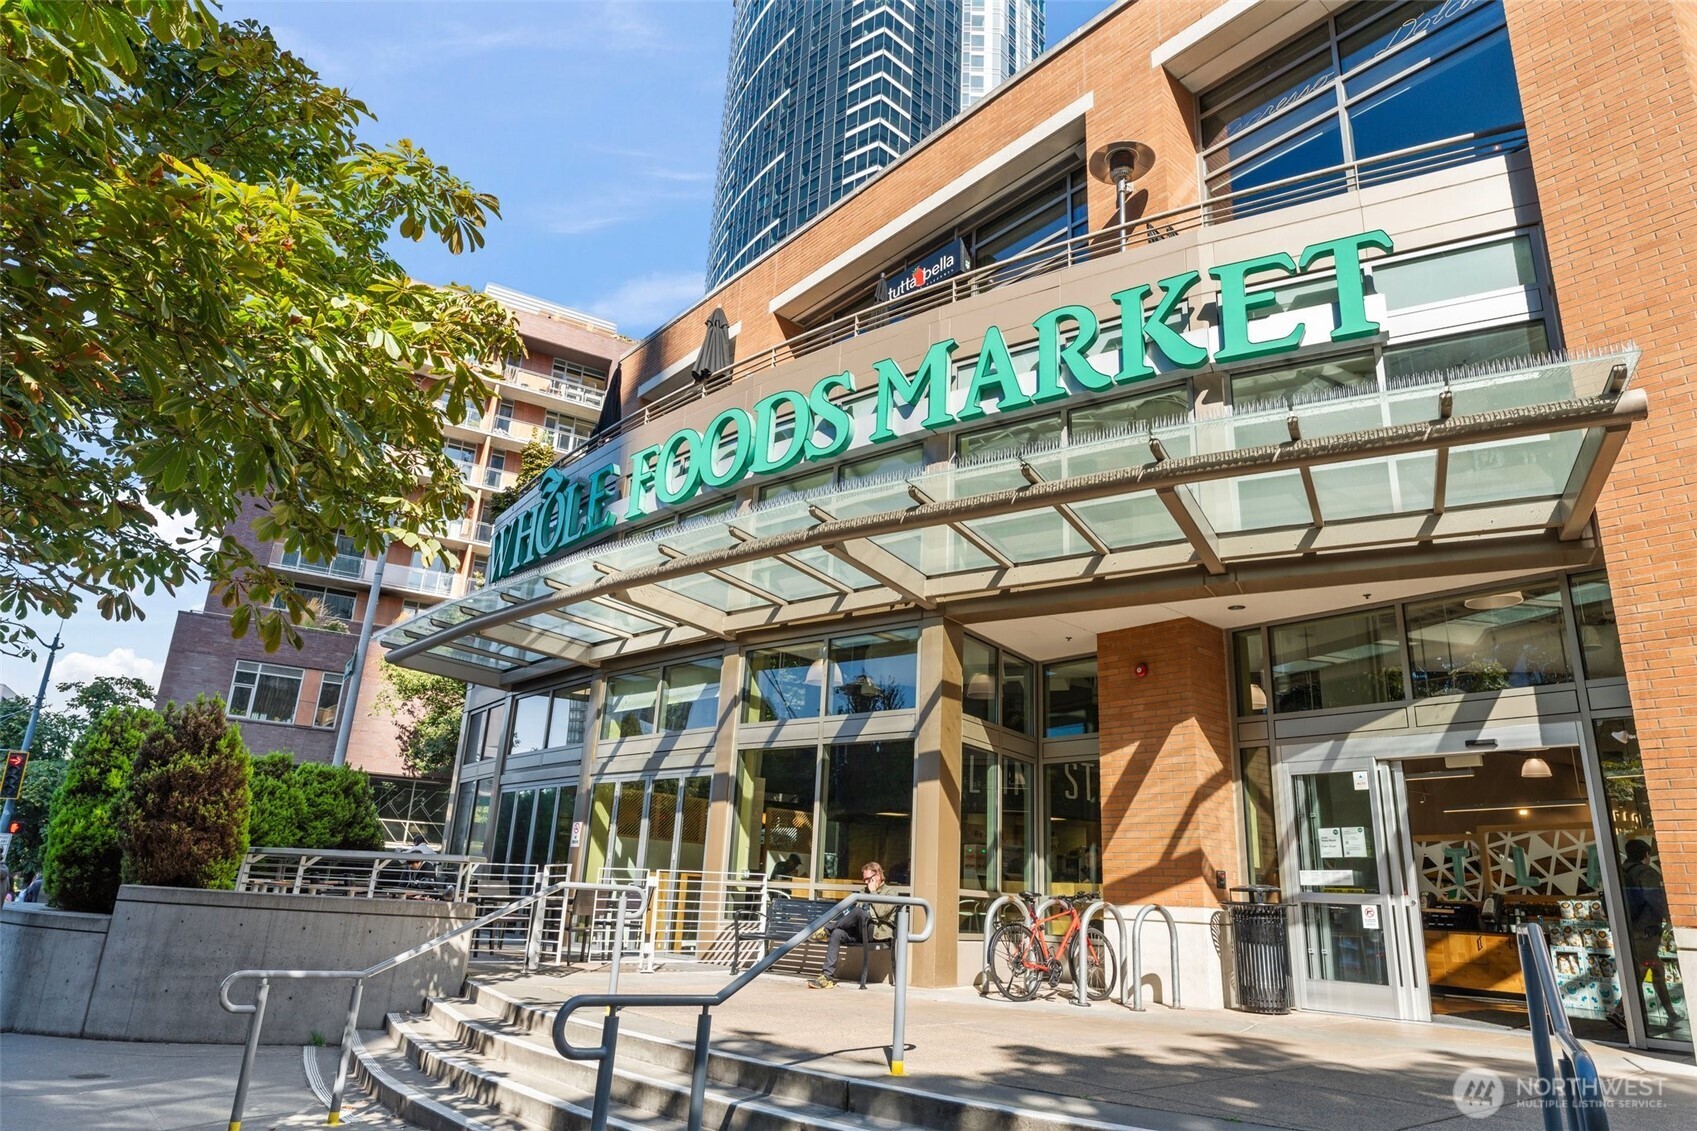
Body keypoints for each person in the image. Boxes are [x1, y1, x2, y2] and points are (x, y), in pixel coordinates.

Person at [1611, 839, 1679, 1027]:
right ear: (1646, 855)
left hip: (1629, 928)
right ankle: (1620, 1010)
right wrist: (1668, 917)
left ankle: (1671, 1013)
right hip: (1646, 929)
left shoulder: (1618, 872)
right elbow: (1653, 899)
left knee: (1656, 968)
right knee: (1642, 968)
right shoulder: (1646, 873)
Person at [807, 861, 896, 990]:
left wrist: (873, 893)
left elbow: (882, 913)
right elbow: (851, 914)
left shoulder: (890, 892)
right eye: (864, 879)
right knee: (837, 933)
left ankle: (828, 929)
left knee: (858, 912)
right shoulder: (862, 891)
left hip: (876, 932)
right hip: (859, 930)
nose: (866, 882)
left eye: (868, 879)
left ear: (877, 876)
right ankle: (827, 977)